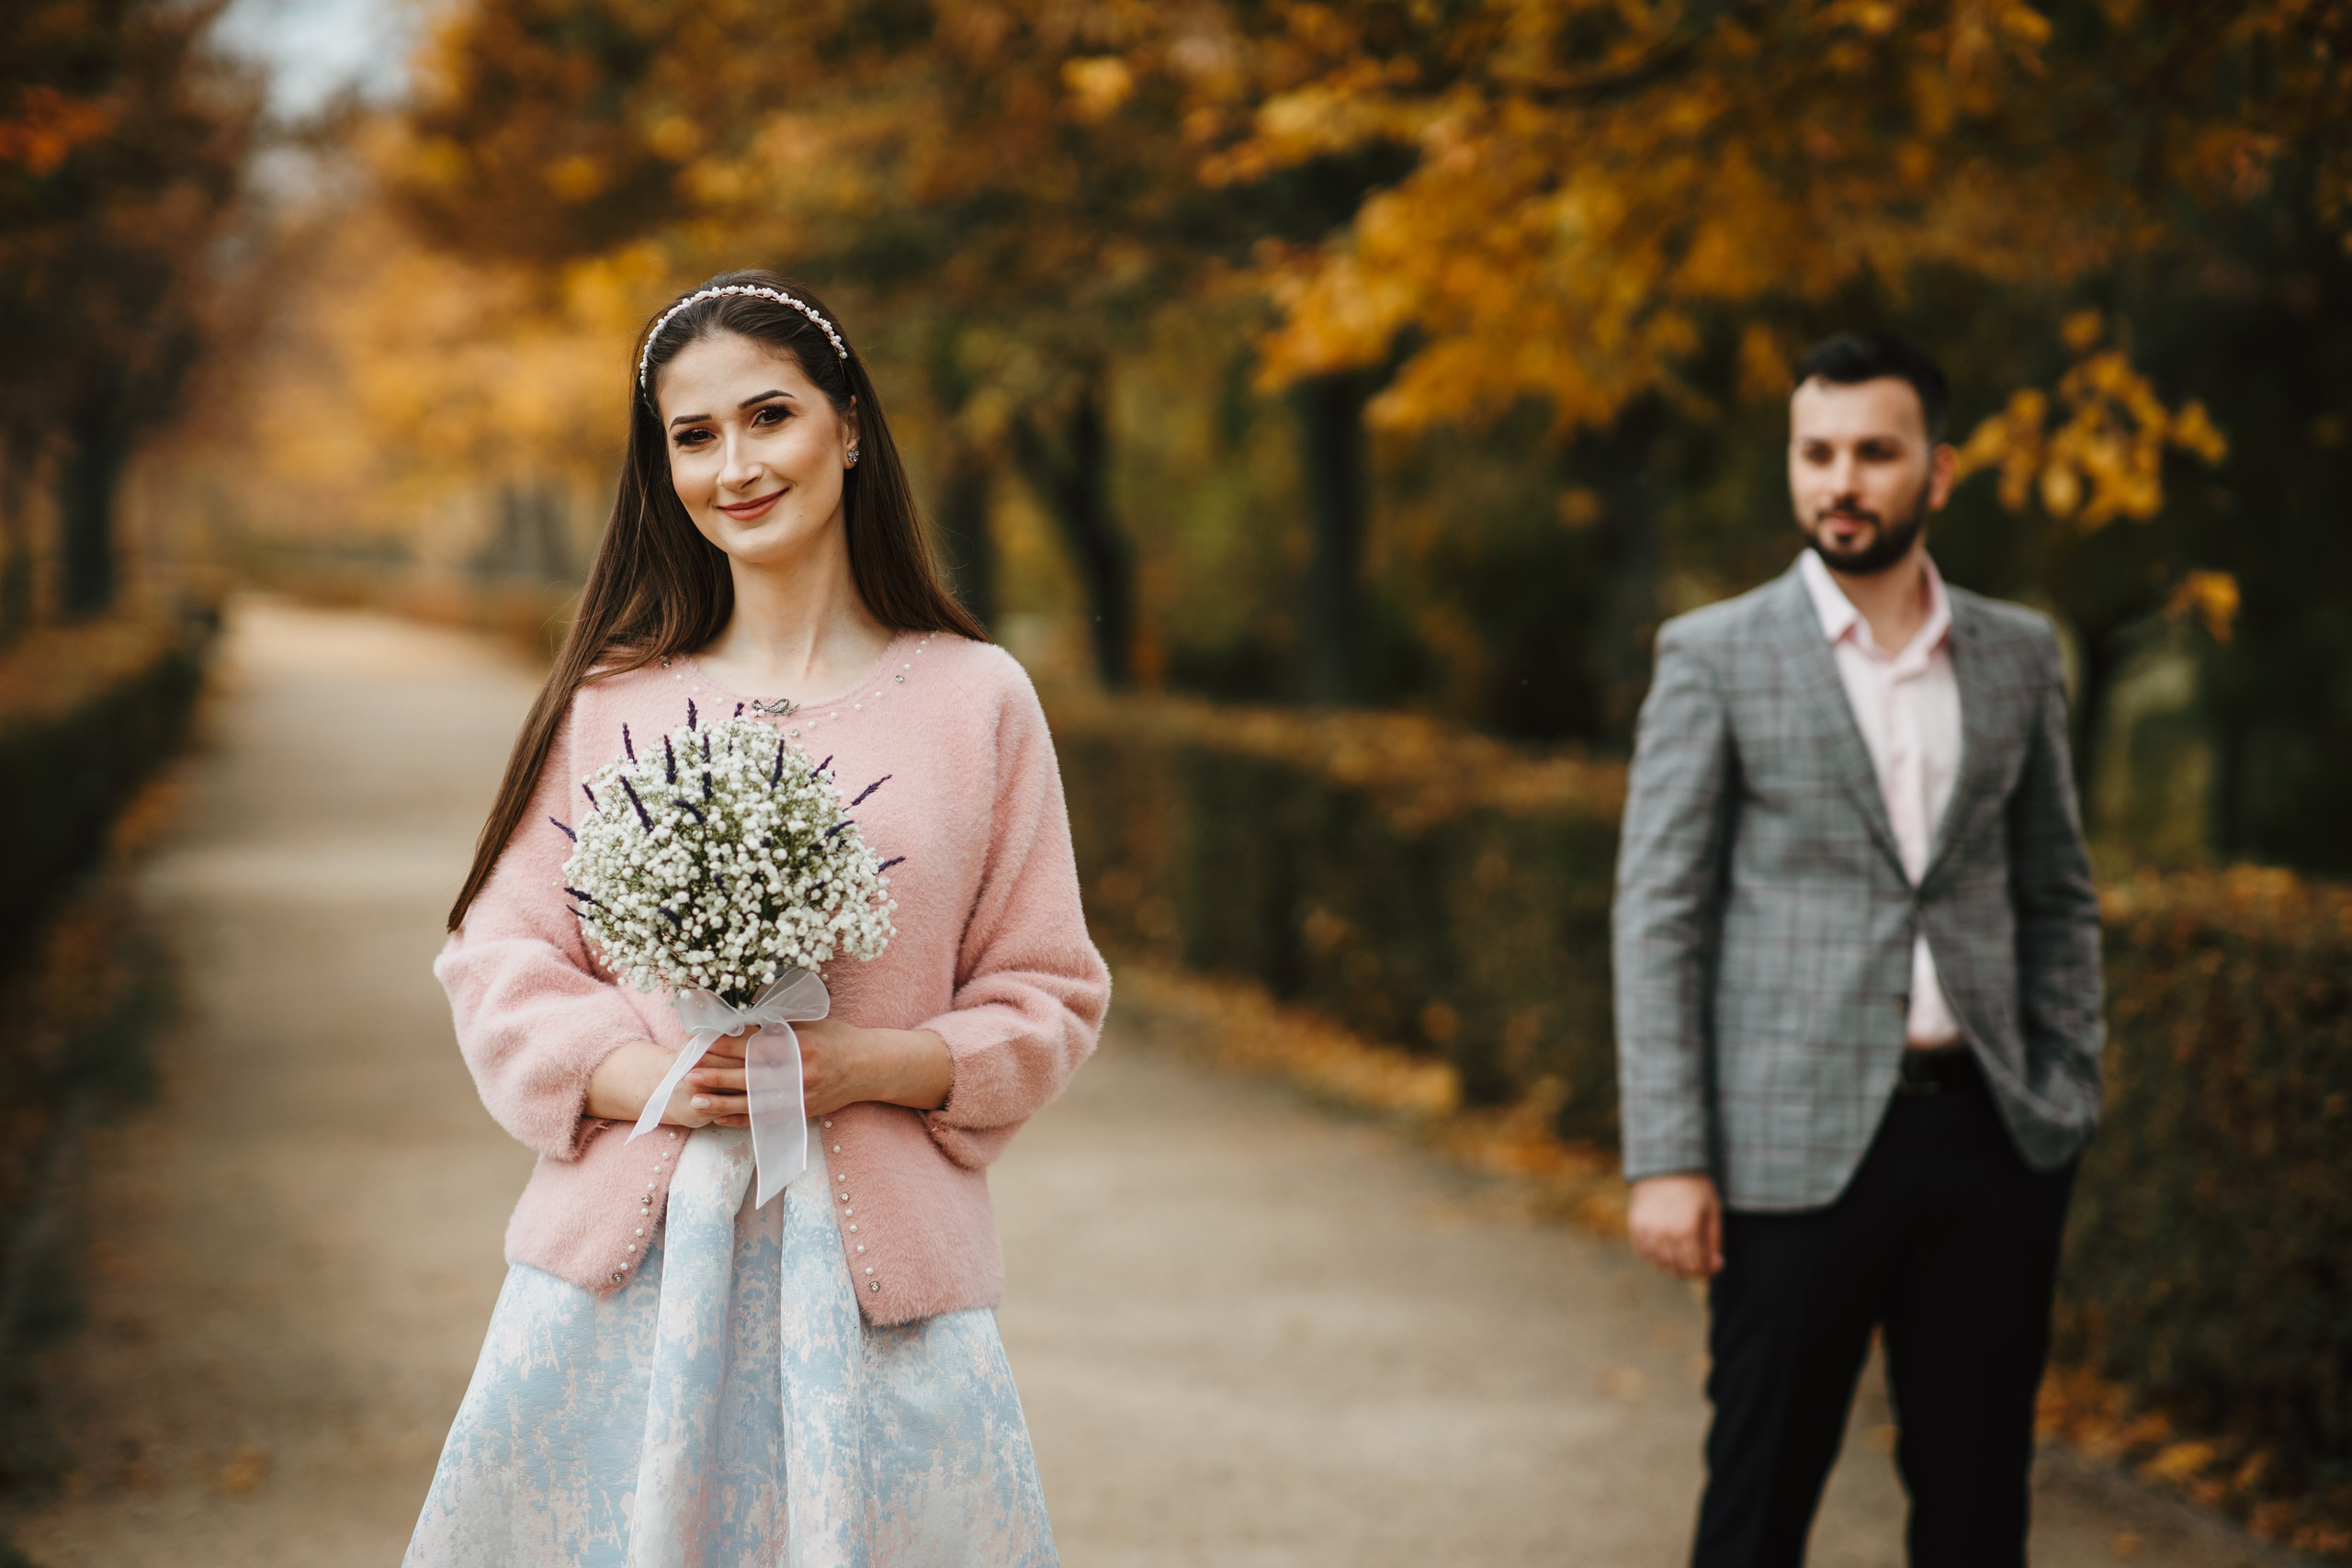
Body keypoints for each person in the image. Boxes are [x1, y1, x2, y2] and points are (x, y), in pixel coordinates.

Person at [407, 271, 1109, 1566]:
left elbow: (1049, 988)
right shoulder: (613, 700)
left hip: (881, 1299)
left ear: (848, 424)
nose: (735, 464)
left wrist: (885, 1066)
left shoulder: (978, 699)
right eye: (693, 435)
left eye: (769, 416)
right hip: (623, 1289)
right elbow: (497, 954)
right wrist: (642, 1078)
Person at [1611, 332, 2104, 1567]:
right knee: (1758, 1506)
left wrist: (2066, 1087)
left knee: (1980, 1504)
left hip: (1990, 1136)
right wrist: (1670, 1156)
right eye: (1816, 453)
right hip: (1788, 1152)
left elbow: (2057, 890)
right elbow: (1660, 913)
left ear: (1938, 472)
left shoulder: (2017, 654)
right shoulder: (1713, 655)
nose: (1843, 480)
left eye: (1876, 454)